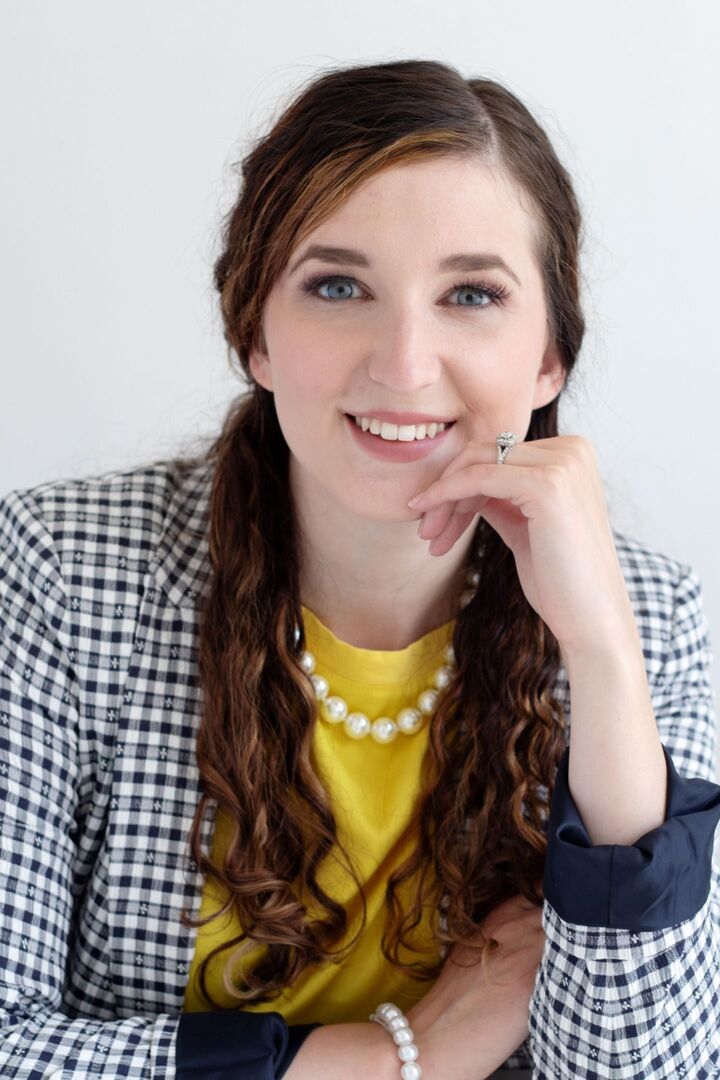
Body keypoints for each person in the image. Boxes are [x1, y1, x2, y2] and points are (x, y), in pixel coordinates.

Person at [1, 58, 719, 1080]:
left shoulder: (646, 613)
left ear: (548, 358)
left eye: (471, 294)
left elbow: (649, 1069)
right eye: (338, 286)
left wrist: (603, 654)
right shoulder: (66, 572)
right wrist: (400, 1057)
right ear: (254, 330)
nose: (404, 363)